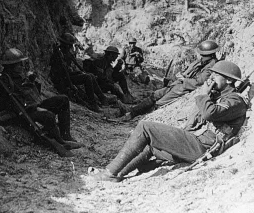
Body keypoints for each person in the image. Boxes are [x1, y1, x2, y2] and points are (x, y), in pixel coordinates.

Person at [89, 61, 248, 182]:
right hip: (196, 142)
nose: (211, 78)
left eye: (216, 75)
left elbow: (208, 113)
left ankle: (109, 172)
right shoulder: (219, 98)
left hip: (201, 147)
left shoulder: (235, 101)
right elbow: (194, 121)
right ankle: (117, 174)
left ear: (228, 80)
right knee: (151, 148)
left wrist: (204, 94)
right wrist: (209, 95)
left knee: (145, 127)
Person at [0, 48, 82, 151]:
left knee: (63, 100)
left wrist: (33, 82)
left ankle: (66, 135)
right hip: (22, 112)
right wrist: (36, 108)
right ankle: (60, 142)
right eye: (18, 64)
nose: (22, 66)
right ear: (11, 66)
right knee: (48, 115)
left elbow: (32, 93)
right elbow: (15, 103)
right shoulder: (5, 81)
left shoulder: (18, 76)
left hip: (32, 106)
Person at [118, 40, 219, 119]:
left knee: (160, 103)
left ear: (209, 55)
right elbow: (188, 71)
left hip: (184, 87)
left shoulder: (211, 66)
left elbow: (199, 83)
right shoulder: (202, 61)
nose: (200, 56)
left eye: (202, 55)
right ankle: (132, 111)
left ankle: (136, 115)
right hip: (178, 84)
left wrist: (184, 79)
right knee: (155, 94)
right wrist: (182, 75)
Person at [58, 33, 115, 112]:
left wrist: (82, 72)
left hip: (67, 75)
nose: (71, 47)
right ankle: (92, 103)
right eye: (70, 45)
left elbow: (75, 65)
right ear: (66, 45)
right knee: (87, 77)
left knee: (90, 75)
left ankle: (102, 98)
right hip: (62, 79)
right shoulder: (59, 54)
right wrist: (71, 85)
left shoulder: (66, 53)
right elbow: (64, 72)